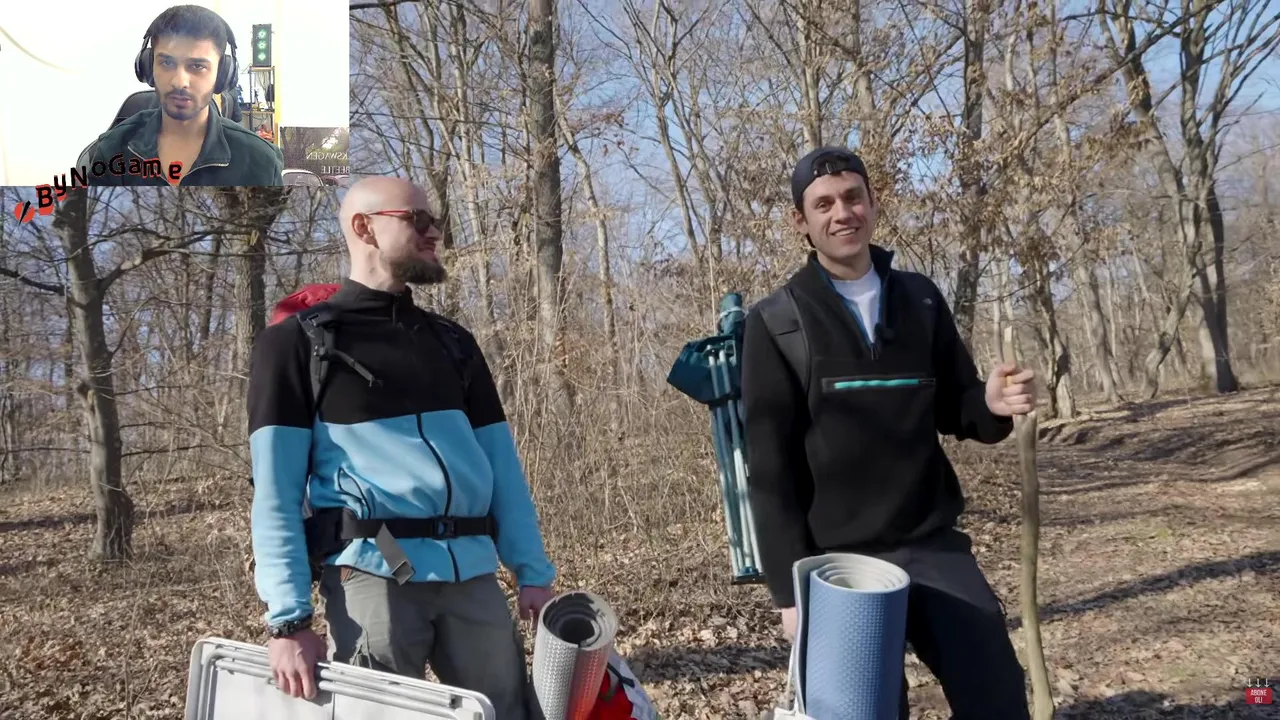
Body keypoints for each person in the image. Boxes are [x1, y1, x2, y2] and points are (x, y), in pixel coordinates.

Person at [741, 146, 1037, 719]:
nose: (842, 213)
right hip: (839, 567)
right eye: (824, 204)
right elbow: (770, 471)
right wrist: (789, 594)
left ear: (873, 204)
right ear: (801, 222)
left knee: (998, 697)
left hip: (932, 545)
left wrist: (992, 404)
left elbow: (957, 405)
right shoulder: (777, 322)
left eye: (853, 197)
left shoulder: (920, 298)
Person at [247, 176, 555, 718]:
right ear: (364, 228)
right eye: (418, 219)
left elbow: (502, 468)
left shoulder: (454, 343)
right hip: (378, 564)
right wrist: (289, 621)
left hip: (471, 574)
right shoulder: (297, 345)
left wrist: (533, 571)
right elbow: (275, 492)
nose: (435, 232)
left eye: (436, 220)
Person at [77, 5, 283, 186]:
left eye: (197, 66)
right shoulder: (112, 149)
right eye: (166, 63)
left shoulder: (261, 162)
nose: (179, 81)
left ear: (222, 74)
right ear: (149, 66)